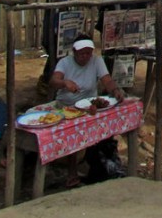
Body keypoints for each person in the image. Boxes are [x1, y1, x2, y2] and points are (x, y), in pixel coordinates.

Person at [49, 36, 125, 187]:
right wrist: (64, 83)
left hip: (89, 105)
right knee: (72, 130)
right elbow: (53, 81)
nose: (85, 57)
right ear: (74, 52)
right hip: (67, 106)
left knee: (103, 124)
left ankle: (102, 165)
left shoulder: (96, 61)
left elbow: (107, 80)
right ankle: (72, 172)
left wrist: (115, 90)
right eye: (82, 54)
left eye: (88, 53)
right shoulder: (65, 63)